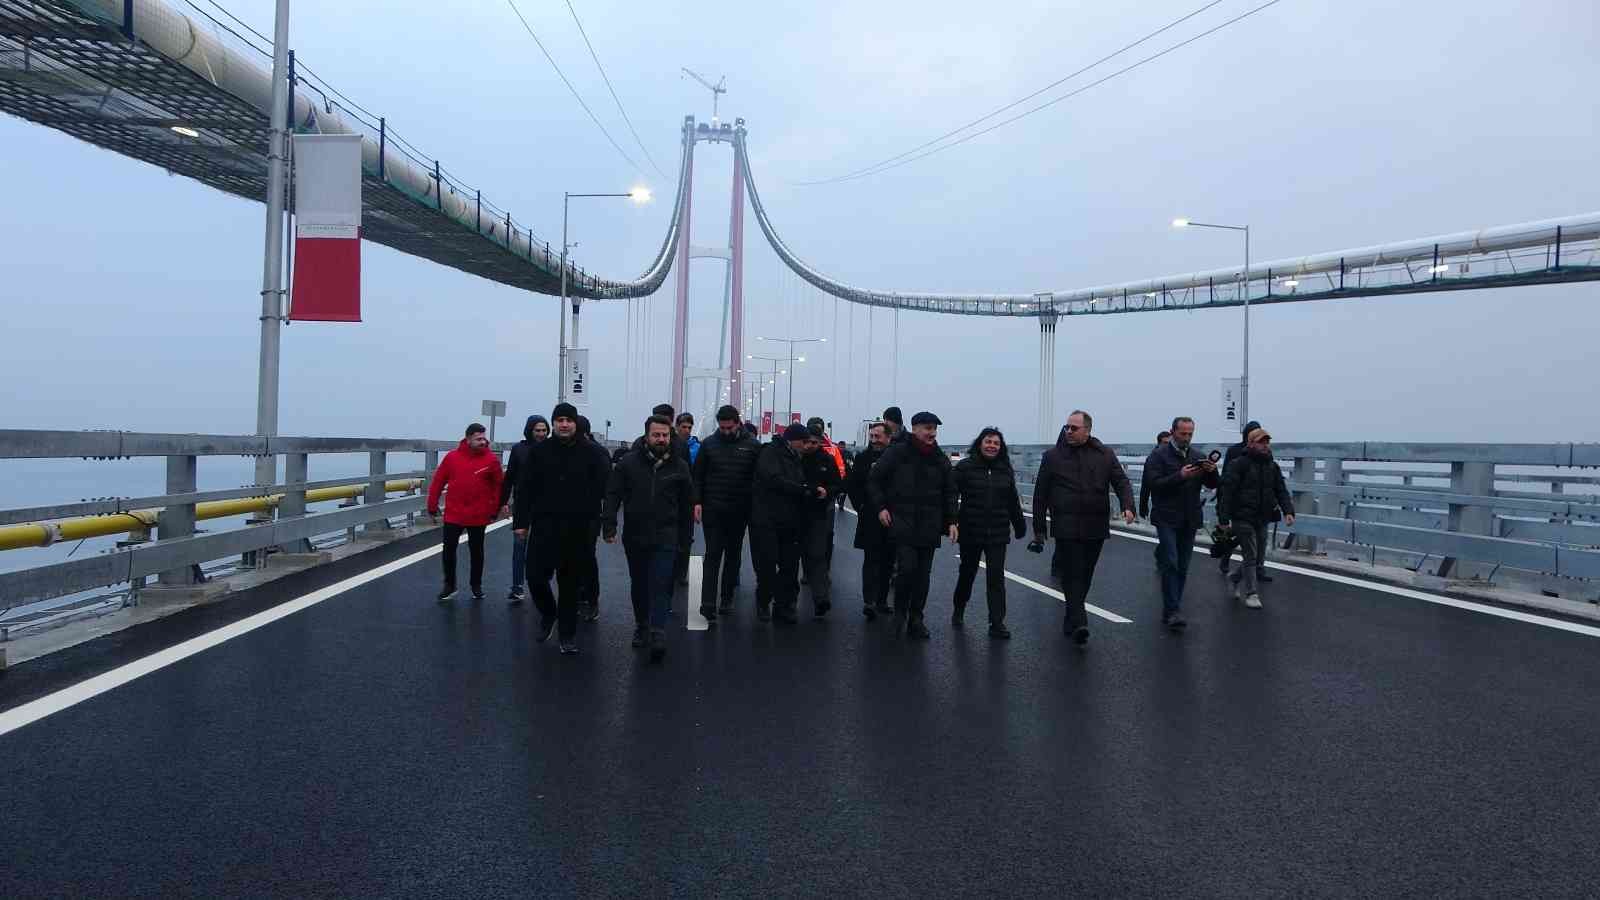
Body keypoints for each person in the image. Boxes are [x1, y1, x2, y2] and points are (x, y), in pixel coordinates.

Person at [1029, 410, 1134, 646]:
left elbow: (1121, 481)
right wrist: (1039, 530)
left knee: (1086, 573)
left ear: (1087, 430)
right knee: (1072, 571)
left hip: (1095, 524)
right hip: (1066, 525)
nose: (1068, 431)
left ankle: (1071, 616)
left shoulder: (1104, 455)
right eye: (1067, 427)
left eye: (1074, 428)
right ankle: (1079, 621)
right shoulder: (1053, 457)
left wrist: (1128, 505)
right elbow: (1040, 495)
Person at [512, 403, 609, 655]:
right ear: (554, 424)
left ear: (575, 423)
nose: (564, 424)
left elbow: (605, 489)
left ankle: (567, 635)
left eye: (568, 420)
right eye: (560, 420)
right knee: (534, 576)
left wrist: (602, 521)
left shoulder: (591, 453)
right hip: (544, 526)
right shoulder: (539, 451)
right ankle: (547, 613)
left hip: (578, 528)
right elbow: (525, 489)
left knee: (569, 585)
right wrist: (521, 523)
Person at [603, 414, 694, 662]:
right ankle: (642, 625)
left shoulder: (680, 466)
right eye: (656, 435)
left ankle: (657, 631)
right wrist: (609, 524)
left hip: (667, 534)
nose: (661, 439)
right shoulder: (628, 464)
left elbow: (687, 505)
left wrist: (687, 539)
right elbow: (613, 495)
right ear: (647, 436)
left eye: (665, 435)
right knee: (640, 583)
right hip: (636, 533)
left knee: (662, 582)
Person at [869, 411, 958, 640]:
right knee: (907, 570)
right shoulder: (898, 452)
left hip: (929, 524)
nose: (932, 433)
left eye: (934, 428)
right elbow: (875, 479)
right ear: (915, 429)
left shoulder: (939, 458)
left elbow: (950, 491)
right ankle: (900, 614)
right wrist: (881, 507)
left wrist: (952, 521)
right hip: (903, 521)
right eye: (928, 428)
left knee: (923, 575)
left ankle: (916, 618)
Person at [1142, 417, 1219, 630]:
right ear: (1173, 432)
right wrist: (1180, 476)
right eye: (1183, 433)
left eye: (1190, 434)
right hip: (1166, 516)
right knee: (1171, 561)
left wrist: (1212, 471)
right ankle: (1172, 610)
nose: (1186, 437)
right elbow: (1153, 484)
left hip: (1190, 517)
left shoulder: (1198, 456)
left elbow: (1213, 485)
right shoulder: (1158, 456)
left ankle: (1174, 605)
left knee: (1183, 566)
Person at [951, 427, 1027, 639]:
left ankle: (997, 622)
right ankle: (959, 607)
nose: (992, 446)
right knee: (968, 573)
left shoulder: (1005, 470)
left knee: (996, 577)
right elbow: (951, 494)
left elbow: (1012, 500)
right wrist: (951, 521)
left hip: (998, 531)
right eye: (988, 442)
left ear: (1000, 447)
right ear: (980, 443)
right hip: (970, 530)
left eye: (996, 443)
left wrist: (1020, 526)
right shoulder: (965, 467)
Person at [692, 405, 760, 621]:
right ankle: (708, 604)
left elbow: (759, 478)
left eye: (729, 428)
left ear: (738, 423)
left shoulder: (753, 446)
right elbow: (698, 476)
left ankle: (727, 597)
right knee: (712, 555)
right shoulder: (709, 445)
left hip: (740, 511)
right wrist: (697, 502)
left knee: (733, 556)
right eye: (722, 428)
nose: (726, 432)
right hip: (714, 510)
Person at [1218, 425, 1295, 609]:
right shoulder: (1239, 464)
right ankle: (1252, 593)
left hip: (1263, 516)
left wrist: (1288, 511)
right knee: (1250, 554)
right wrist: (1223, 519)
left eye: (1267, 442)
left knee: (1258, 555)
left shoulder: (1272, 466)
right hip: (1241, 516)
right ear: (1251, 443)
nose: (1265, 445)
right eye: (1261, 441)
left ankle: (1234, 577)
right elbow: (1227, 492)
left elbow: (1281, 490)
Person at [426, 423, 504, 603]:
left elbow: (498, 486)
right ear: (468, 439)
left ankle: (476, 585)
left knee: (477, 552)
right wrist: (432, 504)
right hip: (454, 513)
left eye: (484, 438)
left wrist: (495, 508)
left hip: (478, 514)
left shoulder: (491, 460)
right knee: (449, 550)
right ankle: (449, 585)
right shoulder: (452, 458)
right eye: (478, 439)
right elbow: (438, 481)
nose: (483, 441)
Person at [749, 422, 812, 624]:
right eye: (803, 442)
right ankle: (763, 602)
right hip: (766, 520)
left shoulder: (796, 457)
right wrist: (802, 489)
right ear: (792, 440)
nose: (806, 445)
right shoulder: (769, 453)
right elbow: (773, 480)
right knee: (767, 566)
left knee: (789, 567)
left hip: (790, 521)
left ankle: (783, 607)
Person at [846, 422, 895, 619]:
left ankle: (882, 600)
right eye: (872, 436)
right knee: (871, 561)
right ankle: (870, 601)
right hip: (870, 517)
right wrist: (862, 507)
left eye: (878, 436)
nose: (874, 440)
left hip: (893, 518)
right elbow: (854, 485)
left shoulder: (897, 459)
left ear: (888, 438)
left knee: (888, 562)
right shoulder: (863, 458)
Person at [499, 415, 549, 605]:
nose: (541, 434)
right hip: (522, 504)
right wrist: (503, 501)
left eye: (544, 430)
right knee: (519, 546)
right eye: (538, 430)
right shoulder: (519, 449)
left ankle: (540, 585)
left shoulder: (551, 448)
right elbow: (509, 477)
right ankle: (517, 587)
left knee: (543, 549)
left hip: (545, 506)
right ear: (530, 430)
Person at [798, 418, 842, 619]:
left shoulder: (828, 459)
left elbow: (838, 483)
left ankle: (821, 599)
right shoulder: (793, 458)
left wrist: (828, 492)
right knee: (790, 560)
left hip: (818, 513)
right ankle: (787, 602)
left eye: (815, 443)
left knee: (817, 556)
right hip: (794, 514)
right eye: (807, 442)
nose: (810, 446)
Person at [574, 415, 612, 622]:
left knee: (586, 556)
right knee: (578, 556)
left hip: (589, 514)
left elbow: (608, 488)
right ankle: (582, 596)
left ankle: (590, 598)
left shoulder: (597, 453)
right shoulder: (566, 451)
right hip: (577, 514)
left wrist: (608, 520)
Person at [1218, 419, 1261, 575]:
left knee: (1253, 535)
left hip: (1255, 501)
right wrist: (1222, 498)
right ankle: (1226, 556)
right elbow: (1226, 476)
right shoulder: (1234, 451)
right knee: (1240, 533)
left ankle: (1258, 568)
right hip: (1237, 499)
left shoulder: (1262, 450)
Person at [1137, 430, 1172, 521]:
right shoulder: (1152, 459)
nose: (1167, 446)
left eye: (1169, 443)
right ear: (1159, 443)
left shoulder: (1177, 457)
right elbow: (1145, 484)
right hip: (1160, 506)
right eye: (1165, 443)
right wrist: (1143, 507)